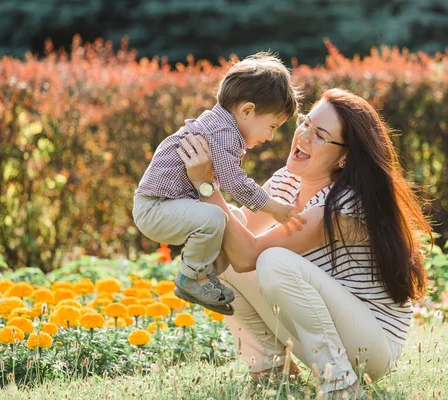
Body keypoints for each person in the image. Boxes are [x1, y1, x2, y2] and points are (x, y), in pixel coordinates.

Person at [176, 88, 432, 397]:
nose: (304, 136)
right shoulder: (287, 179)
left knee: (271, 260)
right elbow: (236, 234)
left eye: (320, 135)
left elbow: (248, 257)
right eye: (305, 123)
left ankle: (342, 386)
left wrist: (207, 186)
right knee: (218, 234)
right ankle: (271, 370)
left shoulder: (343, 205)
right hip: (323, 330)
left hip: (370, 347)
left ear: (345, 156)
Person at [132, 52, 304, 315]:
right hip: (156, 208)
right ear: (247, 110)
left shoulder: (221, 127)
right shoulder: (223, 134)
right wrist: (274, 208)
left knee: (235, 219)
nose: (270, 137)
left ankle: (204, 278)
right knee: (214, 216)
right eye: (271, 126)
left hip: (171, 205)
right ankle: (193, 278)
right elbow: (236, 184)